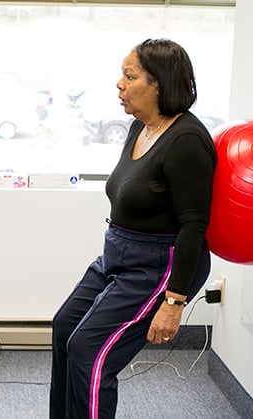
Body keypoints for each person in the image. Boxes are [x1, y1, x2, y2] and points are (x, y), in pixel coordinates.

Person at [49, 38, 217, 419]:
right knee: (65, 328)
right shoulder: (139, 128)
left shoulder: (187, 141)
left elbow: (194, 226)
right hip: (119, 252)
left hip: (159, 266)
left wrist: (173, 302)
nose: (119, 85)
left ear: (159, 84)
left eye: (129, 76)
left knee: (89, 352)